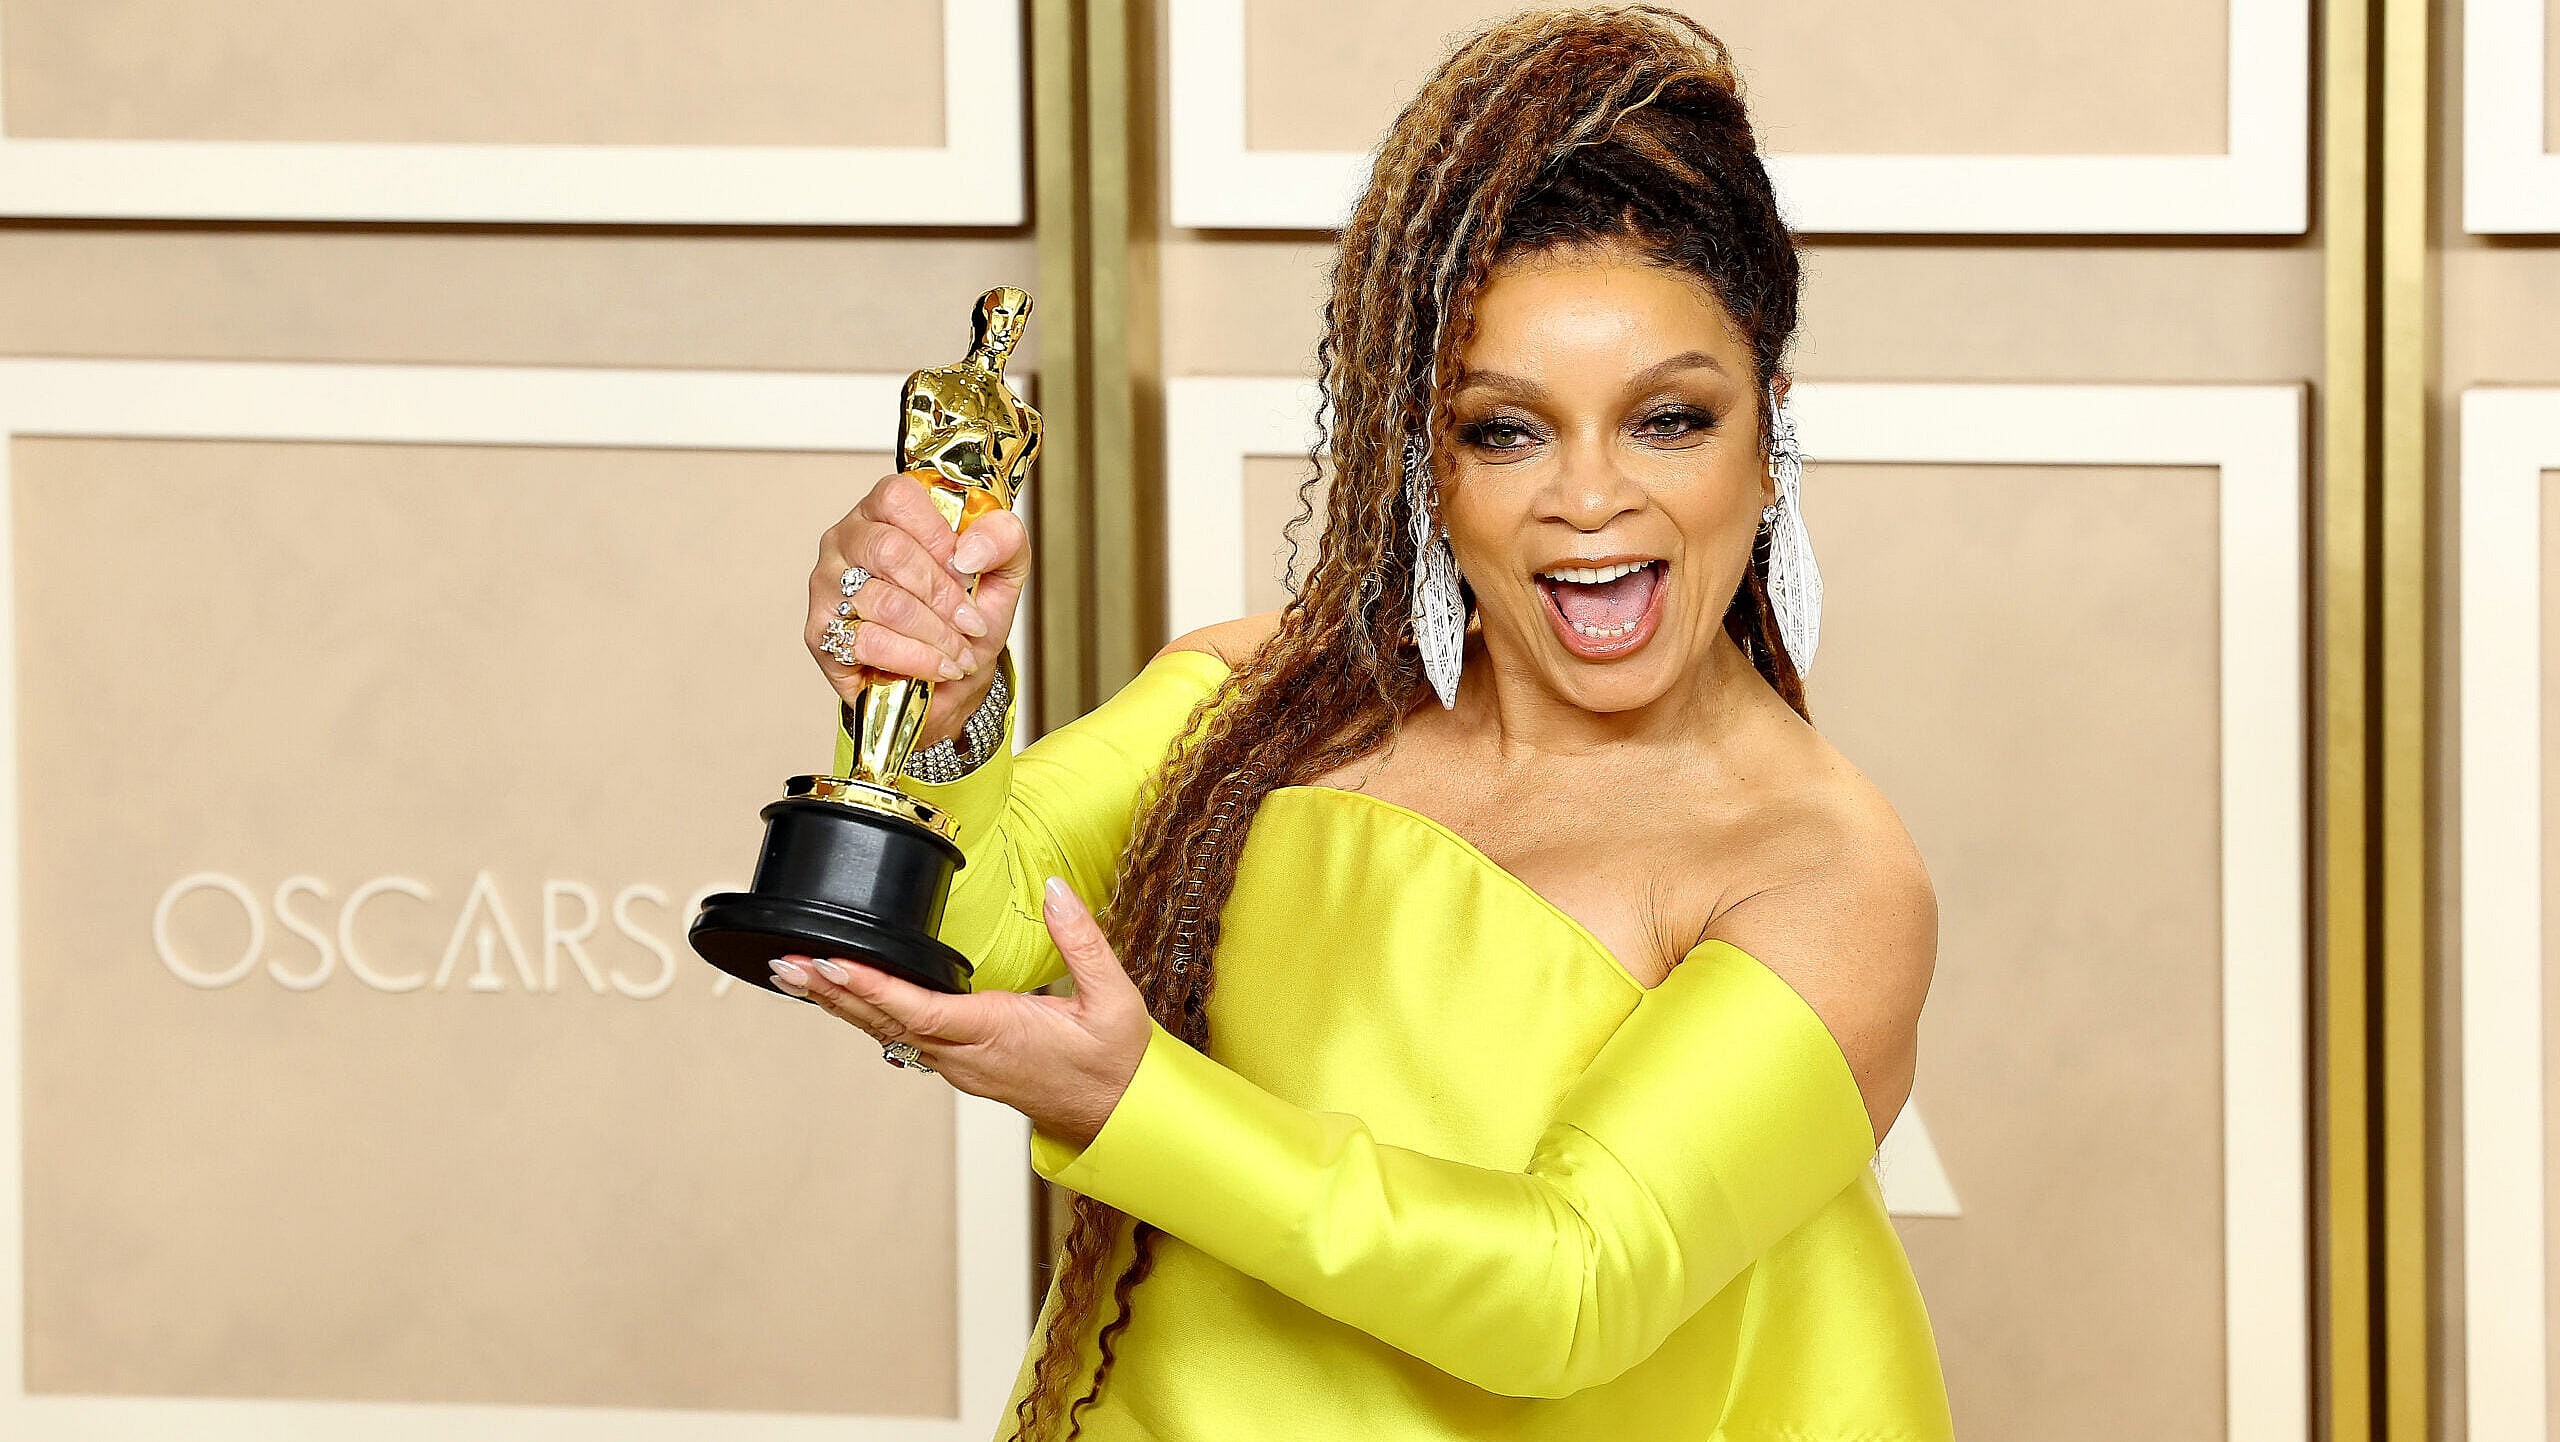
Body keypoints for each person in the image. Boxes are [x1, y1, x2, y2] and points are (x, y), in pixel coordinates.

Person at [769, 6, 1954, 1439]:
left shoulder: (1819, 872)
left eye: (1668, 419)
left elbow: (1567, 1285)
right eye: (1503, 430)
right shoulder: (1262, 701)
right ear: (1422, 468)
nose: (1589, 499)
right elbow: (982, 919)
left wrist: (1138, 1103)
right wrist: (940, 716)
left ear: (1770, 438)